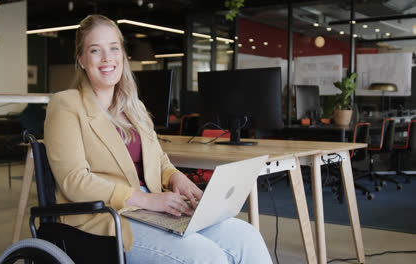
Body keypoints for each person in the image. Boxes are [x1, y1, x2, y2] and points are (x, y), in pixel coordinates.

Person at [44, 14, 272, 264]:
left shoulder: (134, 107)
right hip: (106, 218)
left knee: (246, 237)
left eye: (114, 48)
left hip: (154, 207)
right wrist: (147, 200)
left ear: (122, 55)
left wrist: (175, 177)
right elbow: (74, 181)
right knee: (208, 257)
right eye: (95, 50)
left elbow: (159, 159)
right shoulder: (66, 104)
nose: (107, 58)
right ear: (81, 59)